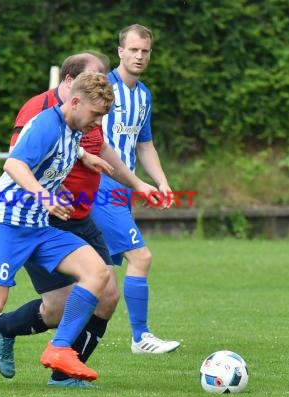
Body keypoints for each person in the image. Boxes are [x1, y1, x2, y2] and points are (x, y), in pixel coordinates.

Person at [0, 71, 115, 392]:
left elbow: (66, 148)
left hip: (36, 226)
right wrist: (45, 196)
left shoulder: (74, 129)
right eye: (96, 114)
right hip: (5, 221)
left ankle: (59, 349)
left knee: (97, 272)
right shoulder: (47, 124)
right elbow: (14, 165)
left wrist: (87, 157)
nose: (98, 122)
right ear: (74, 102)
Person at [0, 51, 161, 388]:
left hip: (82, 218)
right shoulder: (39, 110)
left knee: (107, 296)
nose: (103, 84)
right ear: (71, 83)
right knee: (57, 310)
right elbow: (19, 162)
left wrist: (139, 184)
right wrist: (53, 189)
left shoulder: (91, 115)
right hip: (46, 220)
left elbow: (102, 149)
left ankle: (65, 373)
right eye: (94, 78)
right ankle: (4, 327)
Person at [90, 24, 181, 354]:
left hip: (122, 194)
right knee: (141, 257)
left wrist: (161, 181)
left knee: (102, 281)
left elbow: (145, 145)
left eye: (145, 51)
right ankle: (140, 336)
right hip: (99, 190)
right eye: (133, 50)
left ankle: (49, 340)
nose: (139, 56)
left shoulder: (143, 95)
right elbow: (93, 143)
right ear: (120, 52)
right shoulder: (102, 88)